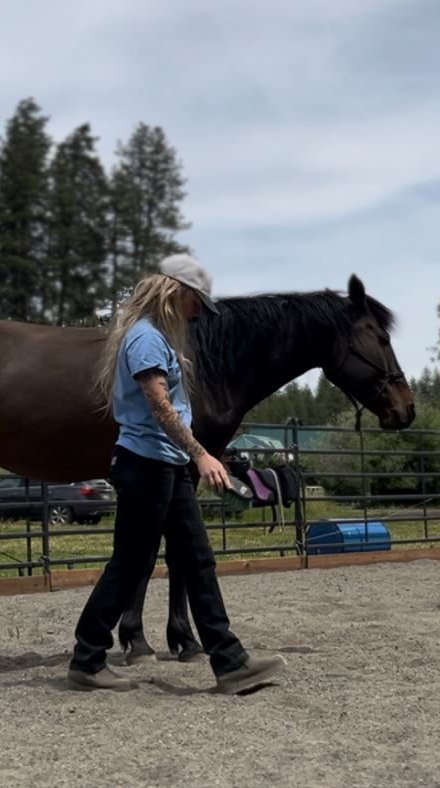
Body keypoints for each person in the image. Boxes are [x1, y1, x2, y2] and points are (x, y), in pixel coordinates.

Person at [67, 253, 285, 694]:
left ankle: (230, 662)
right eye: (196, 300)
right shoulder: (146, 339)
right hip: (147, 464)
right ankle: (87, 658)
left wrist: (190, 458)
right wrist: (202, 455)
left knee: (197, 559)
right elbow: (161, 408)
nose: (198, 311)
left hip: (166, 463)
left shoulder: (158, 338)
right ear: (176, 292)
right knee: (130, 564)